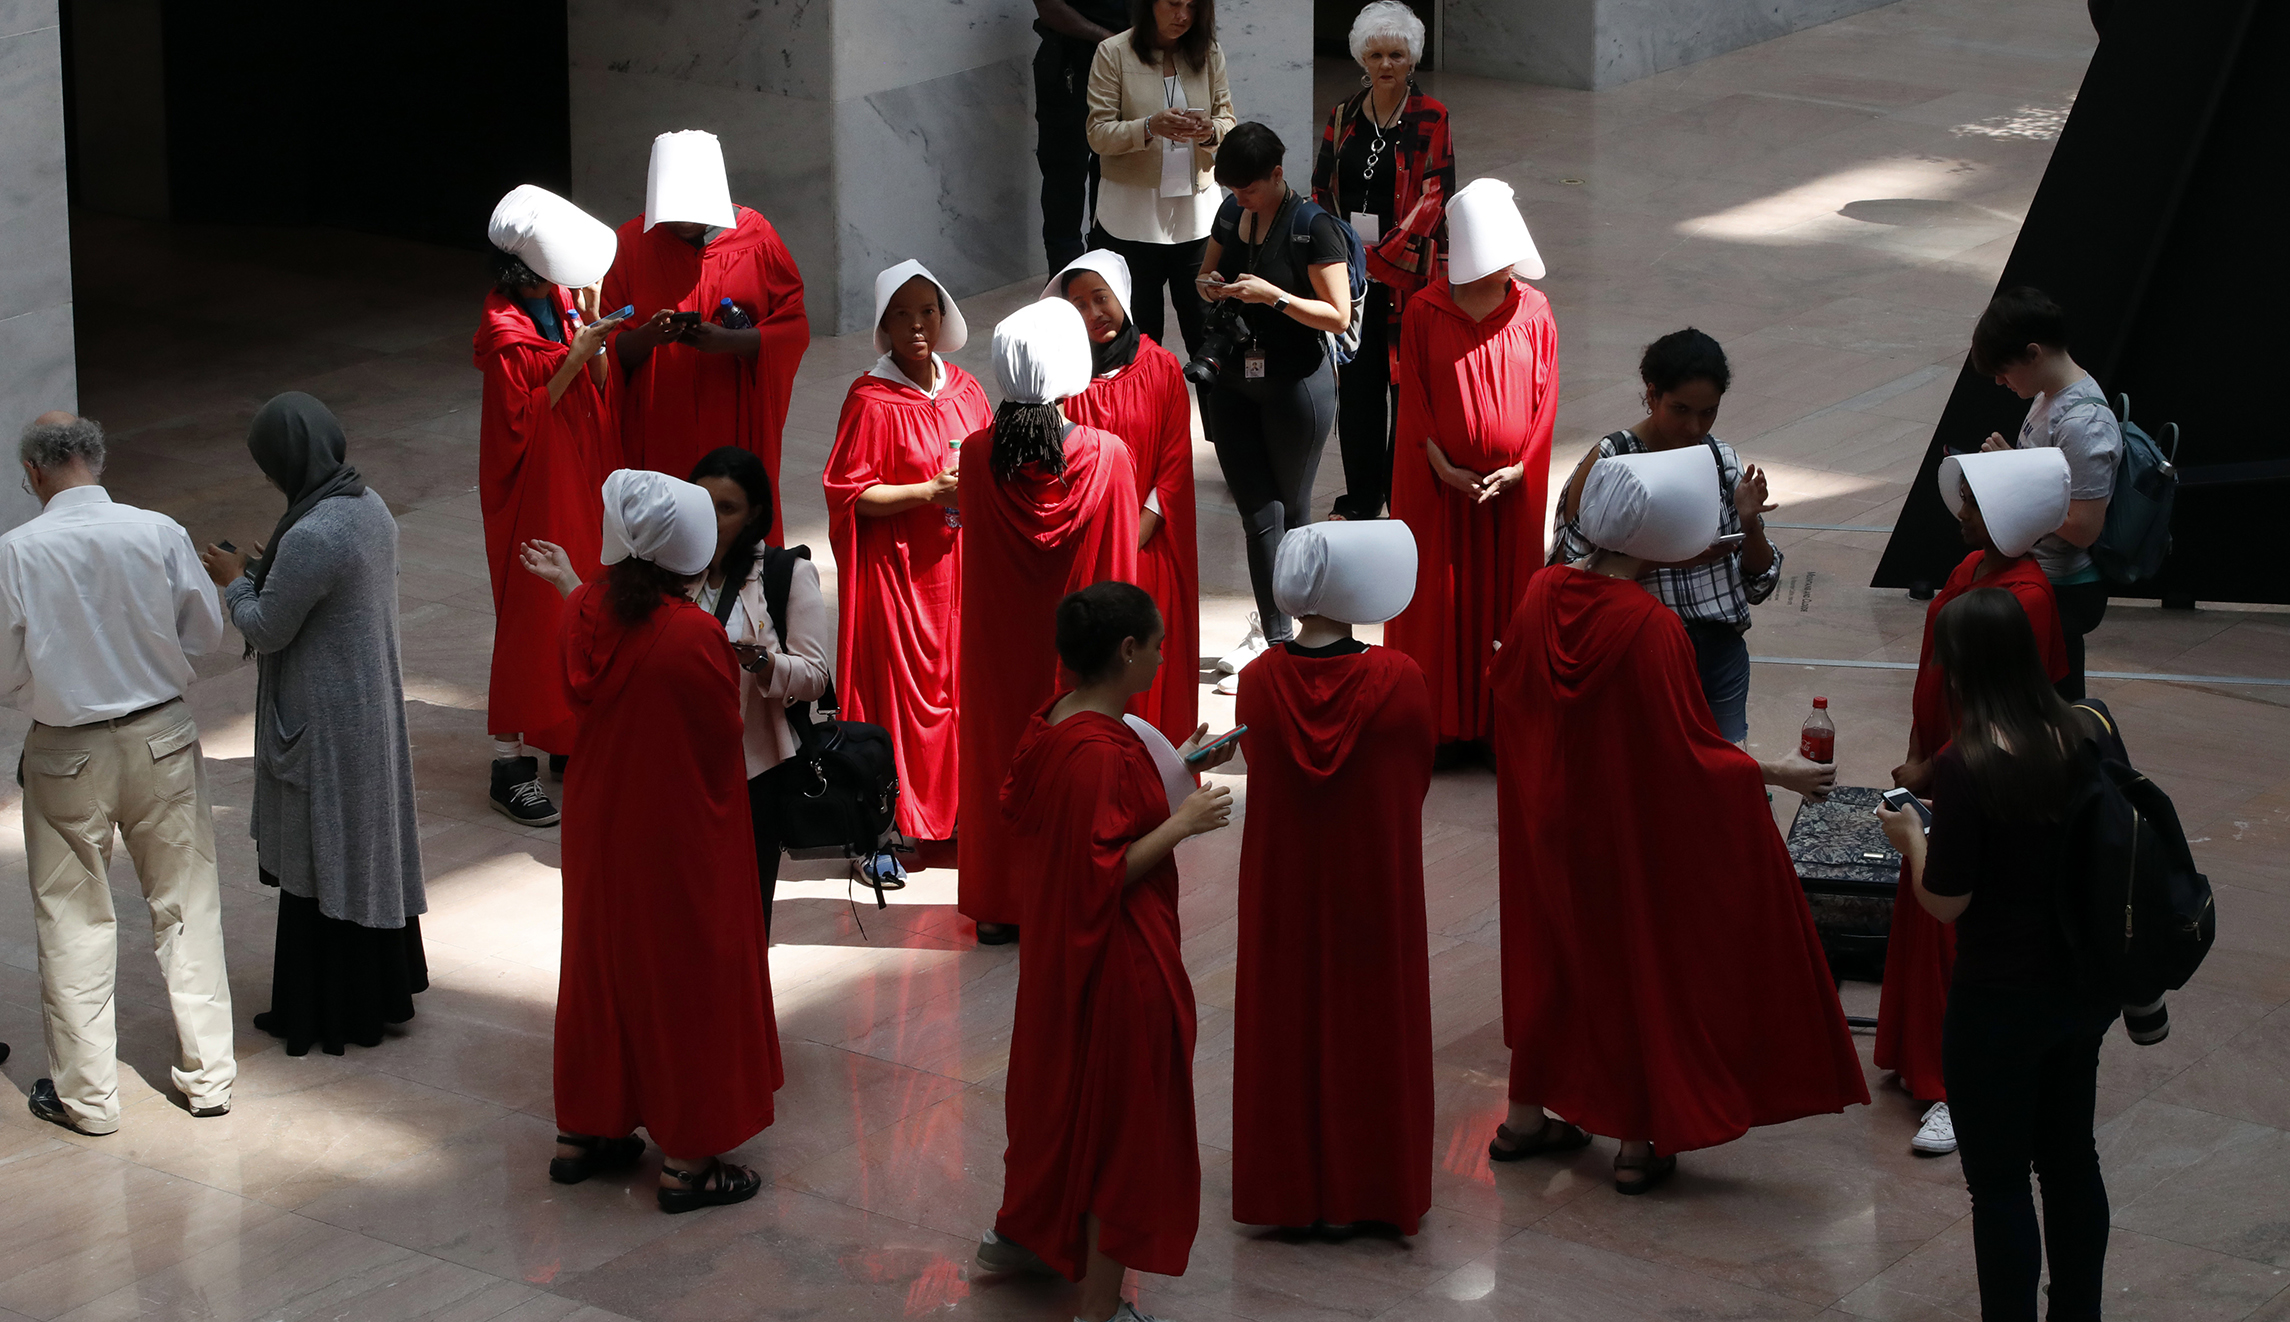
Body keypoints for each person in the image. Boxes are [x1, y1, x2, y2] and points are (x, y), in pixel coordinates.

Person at [1488, 447, 1867, 1194]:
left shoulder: (1538, 593)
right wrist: (1775, 769)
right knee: (1637, 970)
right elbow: (1687, 751)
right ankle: (1635, 1144)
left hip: (1545, 824)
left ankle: (1526, 1118)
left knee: (1551, 962)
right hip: (1624, 836)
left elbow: (1512, 694)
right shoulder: (1650, 627)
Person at [976, 581, 1235, 1322]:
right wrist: (1182, 821)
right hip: (1118, 962)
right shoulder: (1099, 756)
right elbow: (1106, 873)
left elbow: (1063, 817)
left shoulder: (1059, 722)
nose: (1162, 657)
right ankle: (1098, 1307)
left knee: (1057, 1106)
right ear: (1127, 651)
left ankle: (1026, 1237)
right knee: (1125, 1132)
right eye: (1156, 645)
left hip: (1061, 958)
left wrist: (1171, 766)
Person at [1878, 587, 2118, 1321]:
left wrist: (1912, 840)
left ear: (1961, 670)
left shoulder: (1967, 762)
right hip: (2080, 988)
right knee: (2071, 1158)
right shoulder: (2083, 734)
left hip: (1997, 1000)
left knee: (2002, 1182)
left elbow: (1947, 900)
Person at [547, 469, 783, 1213]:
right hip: (681, 824)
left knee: (599, 964)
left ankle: (585, 1131)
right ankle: (688, 1158)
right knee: (687, 976)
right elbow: (719, 736)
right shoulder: (694, 636)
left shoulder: (583, 609)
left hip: (596, 816)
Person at [2, 412, 234, 1134]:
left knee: (72, 919)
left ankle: (91, 1100)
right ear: (96, 463)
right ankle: (209, 1081)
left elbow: (7, 671)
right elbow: (206, 632)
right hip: (160, 734)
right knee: (186, 907)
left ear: (33, 472)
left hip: (66, 747)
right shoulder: (158, 531)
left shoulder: (17, 551)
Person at [196, 394, 428, 1057]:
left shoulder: (315, 532)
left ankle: (334, 1010)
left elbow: (267, 628)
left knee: (325, 859)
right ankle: (380, 991)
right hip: (367, 704)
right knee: (362, 847)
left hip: (327, 720)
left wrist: (236, 580)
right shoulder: (368, 505)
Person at [1231, 520, 1435, 1234]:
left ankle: (1288, 1191)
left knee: (1285, 1018)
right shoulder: (1400, 680)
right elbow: (1413, 777)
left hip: (1283, 891)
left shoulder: (1256, 685)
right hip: (1372, 886)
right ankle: (1370, 1188)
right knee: (1372, 1021)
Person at [1879, 447, 2071, 1158]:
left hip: (1977, 782)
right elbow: (1933, 671)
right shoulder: (1970, 570)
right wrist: (1920, 751)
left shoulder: (2026, 599)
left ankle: (1953, 1089)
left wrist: (1939, 768)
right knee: (1924, 920)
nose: (1960, 513)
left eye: (1974, 504)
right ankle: (1918, 1053)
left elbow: (2007, 703)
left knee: (1953, 926)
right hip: (1941, 769)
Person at [1550, 329, 1831, 798]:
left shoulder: (1719, 458)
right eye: (1680, 410)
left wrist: (1750, 523)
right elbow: (1569, 575)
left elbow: (1759, 585)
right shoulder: (1610, 462)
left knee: (1723, 783)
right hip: (1644, 651)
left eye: (1708, 412)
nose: (1694, 427)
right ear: (1651, 394)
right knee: (1654, 781)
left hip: (1719, 651)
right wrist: (1674, 559)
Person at [959, 300, 1141, 945]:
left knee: (996, 755)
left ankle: (998, 901)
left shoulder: (978, 456)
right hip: (1082, 660)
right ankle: (1076, 884)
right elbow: (1120, 573)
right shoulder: (1110, 457)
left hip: (997, 648)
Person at [824, 261, 991, 861]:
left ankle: (963, 809)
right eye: (902, 314)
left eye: (927, 311)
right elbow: (848, 493)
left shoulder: (967, 389)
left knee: (962, 692)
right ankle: (907, 815)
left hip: (962, 569)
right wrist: (927, 492)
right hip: (903, 578)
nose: (917, 325)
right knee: (909, 696)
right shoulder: (871, 401)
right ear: (883, 326)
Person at [1383, 178, 1553, 761]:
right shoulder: (1425, 312)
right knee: (1445, 600)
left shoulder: (1534, 311)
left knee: (1506, 602)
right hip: (1445, 490)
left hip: (1508, 492)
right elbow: (1415, 402)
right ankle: (1447, 727)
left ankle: (1496, 726)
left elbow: (1545, 400)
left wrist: (1523, 468)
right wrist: (1439, 463)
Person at [474, 184, 627, 827]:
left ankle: (566, 734)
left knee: (583, 588)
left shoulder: (564, 300)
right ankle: (509, 761)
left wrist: (590, 333)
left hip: (580, 466)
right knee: (534, 606)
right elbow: (522, 420)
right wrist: (576, 353)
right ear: (524, 275)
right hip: (535, 479)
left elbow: (596, 382)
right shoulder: (505, 334)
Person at [1197, 121, 1354, 686]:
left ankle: (1304, 633)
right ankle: (1277, 638)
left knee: (1293, 510)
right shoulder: (1232, 213)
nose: (1240, 200)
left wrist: (1277, 296)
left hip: (1295, 385)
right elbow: (1203, 273)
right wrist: (1211, 285)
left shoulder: (1313, 227)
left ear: (1278, 176)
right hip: (1235, 382)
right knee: (1257, 515)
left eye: (1249, 190)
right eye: (1233, 191)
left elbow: (1339, 316)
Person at [602, 129, 809, 528]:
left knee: (730, 522)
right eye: (672, 208)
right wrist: (648, 336)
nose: (682, 220)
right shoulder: (630, 245)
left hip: (729, 415)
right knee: (662, 530)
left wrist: (729, 341)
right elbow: (604, 343)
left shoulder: (756, 237)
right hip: (659, 424)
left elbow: (793, 327)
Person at [1310, 0, 1454, 522]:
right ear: (1361, 58)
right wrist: (1340, 257)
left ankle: (1401, 492)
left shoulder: (1432, 116)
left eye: (1396, 54)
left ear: (1412, 58)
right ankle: (1362, 496)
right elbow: (1321, 188)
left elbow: (1435, 198)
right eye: (1376, 54)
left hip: (1407, 279)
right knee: (1358, 391)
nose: (1386, 64)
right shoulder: (1343, 113)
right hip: (1351, 279)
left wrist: (1379, 258)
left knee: (1405, 391)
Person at [1050, 250, 1201, 744]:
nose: (1094, 314)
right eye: (1079, 305)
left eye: (1102, 299)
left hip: (1147, 550)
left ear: (1124, 299)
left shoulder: (1160, 368)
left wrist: (1132, 535)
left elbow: (1174, 465)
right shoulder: (1064, 381)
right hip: (1086, 551)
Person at [1970, 286, 2119, 701]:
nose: (2000, 381)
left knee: (2048, 713)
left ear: (2034, 353)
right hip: (2038, 571)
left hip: (2063, 585)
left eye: (2003, 370)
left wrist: (2013, 473)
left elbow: (2085, 528)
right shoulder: (2046, 396)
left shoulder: (2084, 424)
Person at [1085, 0, 1237, 361]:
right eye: (1172, 3)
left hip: (1197, 219)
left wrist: (1209, 130)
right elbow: (1097, 133)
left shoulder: (1209, 52)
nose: (1182, 15)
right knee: (1138, 346)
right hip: (1130, 220)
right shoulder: (1113, 52)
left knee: (1209, 340)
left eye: (1191, 6)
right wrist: (1149, 127)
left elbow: (1228, 120)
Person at [1034, 0, 1131, 271]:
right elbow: (1048, 7)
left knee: (1114, 174)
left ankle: (1107, 275)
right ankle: (1066, 281)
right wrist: (1105, 39)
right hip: (1070, 64)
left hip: (1125, 65)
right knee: (1063, 178)